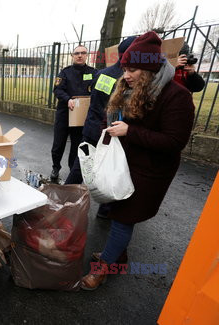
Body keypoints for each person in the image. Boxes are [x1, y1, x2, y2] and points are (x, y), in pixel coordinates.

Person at [80, 32, 195, 290]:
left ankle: (102, 269)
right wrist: (108, 128)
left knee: (123, 218)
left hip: (151, 171)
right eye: (125, 69)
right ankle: (117, 257)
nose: (126, 75)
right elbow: (112, 118)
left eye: (133, 69)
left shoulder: (177, 96)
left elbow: (174, 142)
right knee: (119, 212)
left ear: (150, 68)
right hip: (125, 164)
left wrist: (130, 132)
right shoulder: (129, 87)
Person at [64, 36, 137, 219]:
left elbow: (95, 100)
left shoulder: (102, 73)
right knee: (109, 169)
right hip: (111, 132)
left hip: (91, 127)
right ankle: (105, 210)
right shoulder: (128, 78)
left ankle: (62, 199)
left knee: (81, 166)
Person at [50, 45, 97, 183]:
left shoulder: (93, 73)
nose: (80, 55)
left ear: (87, 55)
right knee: (58, 144)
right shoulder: (65, 72)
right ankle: (56, 167)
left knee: (77, 146)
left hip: (81, 118)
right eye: (77, 53)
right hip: (64, 114)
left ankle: (73, 171)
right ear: (72, 55)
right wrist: (67, 99)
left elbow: (96, 91)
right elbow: (57, 90)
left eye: (83, 53)